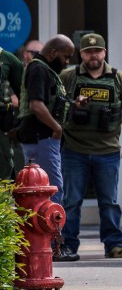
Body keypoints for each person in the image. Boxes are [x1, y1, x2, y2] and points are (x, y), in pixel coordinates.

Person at [58, 34, 122, 259]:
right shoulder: (68, 76)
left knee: (109, 201)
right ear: (81, 54)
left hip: (108, 152)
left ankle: (114, 244)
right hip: (74, 150)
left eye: (98, 51)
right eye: (88, 51)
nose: (93, 55)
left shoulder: (118, 78)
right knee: (71, 201)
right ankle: (68, 245)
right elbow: (53, 104)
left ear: (104, 53)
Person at [16, 35, 74, 213]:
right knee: (51, 189)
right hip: (42, 137)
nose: (66, 62)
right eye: (65, 57)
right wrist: (57, 128)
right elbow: (36, 105)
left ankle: (48, 237)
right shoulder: (39, 69)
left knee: (42, 190)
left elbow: (49, 102)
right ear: (53, 52)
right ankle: (52, 238)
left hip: (42, 138)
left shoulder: (44, 69)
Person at [0, 45, 22, 181]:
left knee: (4, 171)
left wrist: (19, 125)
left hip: (2, 130)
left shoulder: (9, 60)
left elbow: (24, 97)